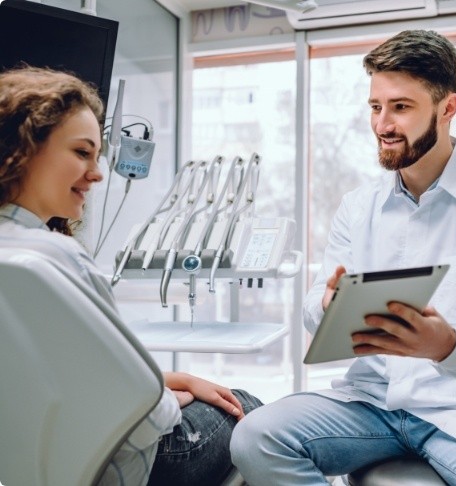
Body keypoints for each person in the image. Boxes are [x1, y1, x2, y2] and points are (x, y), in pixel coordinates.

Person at [230, 29, 456, 485]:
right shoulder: (358, 206)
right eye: (375, 107)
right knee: (255, 438)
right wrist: (330, 306)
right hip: (373, 404)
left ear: (448, 108)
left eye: (401, 107)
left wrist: (445, 346)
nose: (383, 124)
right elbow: (313, 310)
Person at [0, 65, 262, 486]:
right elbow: (145, 420)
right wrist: (164, 400)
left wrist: (169, 382)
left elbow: (53, 377)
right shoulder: (58, 258)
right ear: (24, 148)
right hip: (118, 467)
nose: (99, 172)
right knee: (248, 408)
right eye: (82, 153)